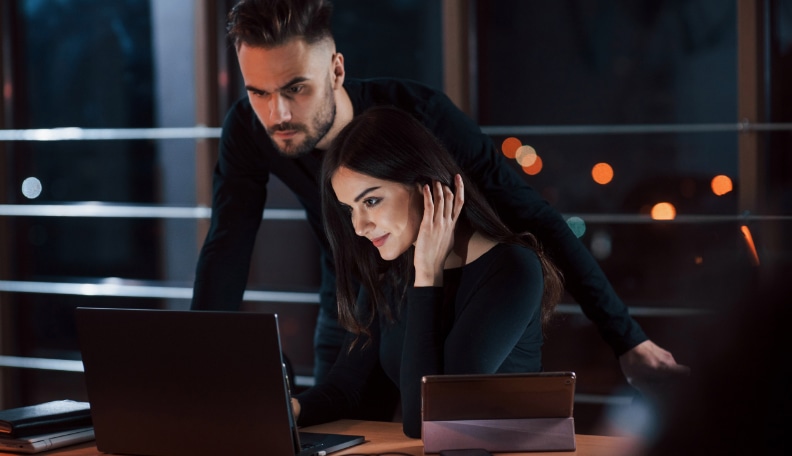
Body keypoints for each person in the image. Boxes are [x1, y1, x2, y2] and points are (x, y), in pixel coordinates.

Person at [191, 0, 689, 392]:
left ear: (337, 70)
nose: (276, 113)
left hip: (438, 307)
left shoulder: (418, 115)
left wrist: (626, 339)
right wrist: (200, 356)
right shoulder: (249, 130)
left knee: (431, 424)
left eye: (296, 88)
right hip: (349, 303)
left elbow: (531, 213)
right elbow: (228, 245)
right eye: (258, 92)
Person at [291, 105, 564, 438]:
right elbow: (348, 387)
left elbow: (430, 420)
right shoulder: (392, 271)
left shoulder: (512, 270)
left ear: (426, 187)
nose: (359, 227)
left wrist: (427, 277)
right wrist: (291, 409)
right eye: (350, 209)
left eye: (372, 201)